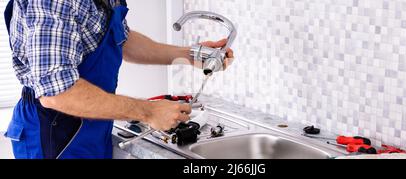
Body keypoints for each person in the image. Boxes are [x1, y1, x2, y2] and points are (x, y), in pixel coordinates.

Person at [3, 0, 234, 159]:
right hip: (53, 133)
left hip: (91, 126)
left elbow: (120, 38)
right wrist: (148, 112)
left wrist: (189, 55)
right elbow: (57, 93)